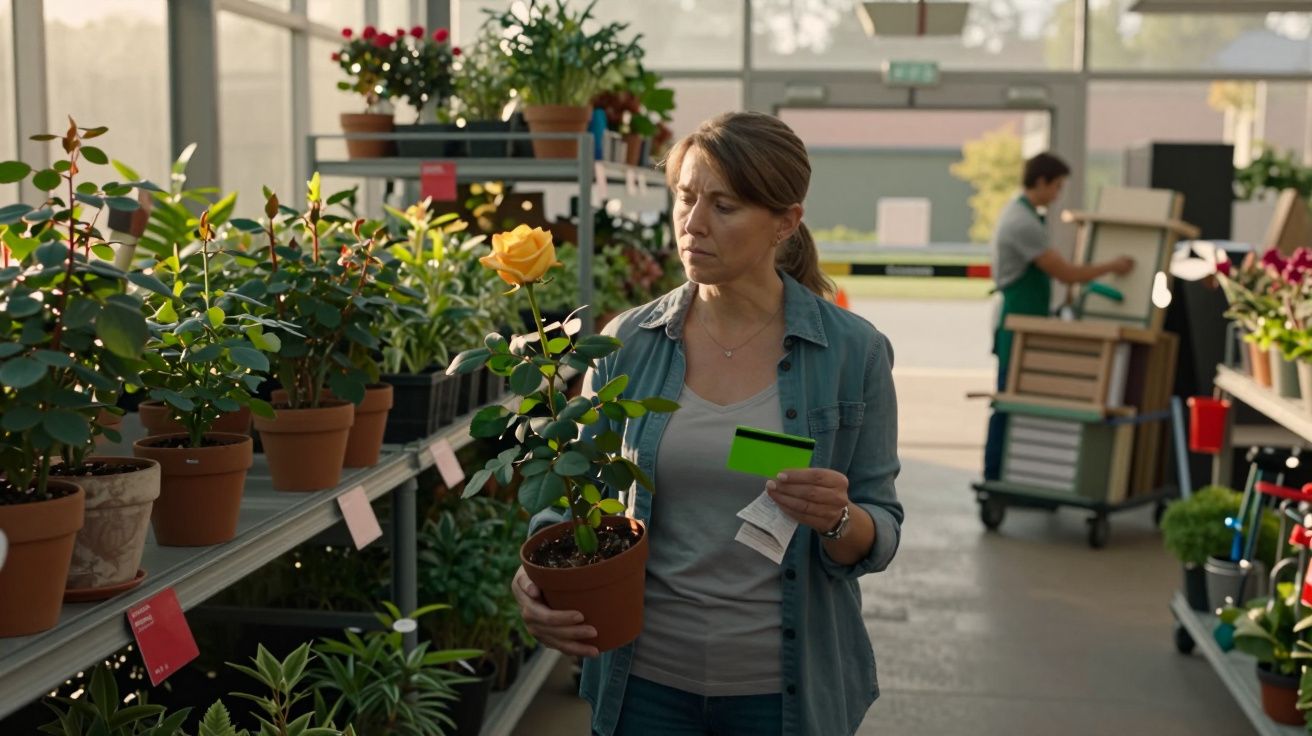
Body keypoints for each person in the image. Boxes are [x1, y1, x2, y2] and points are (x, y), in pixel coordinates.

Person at [510, 111, 904, 736]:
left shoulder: (853, 353)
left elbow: (880, 526)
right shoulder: (630, 343)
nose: (692, 224)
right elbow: (574, 495)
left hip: (780, 695)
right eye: (685, 197)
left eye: (724, 206)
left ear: (785, 221)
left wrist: (838, 518)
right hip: (644, 686)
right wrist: (536, 576)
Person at [982, 152, 1135, 481]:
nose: (1058, 194)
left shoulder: (1024, 214)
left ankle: (1007, 475)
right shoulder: (1023, 223)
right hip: (1017, 320)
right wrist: (1112, 266)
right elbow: (1066, 273)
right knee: (1009, 399)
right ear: (1041, 181)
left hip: (1023, 317)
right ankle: (994, 476)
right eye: (1057, 186)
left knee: (1014, 397)